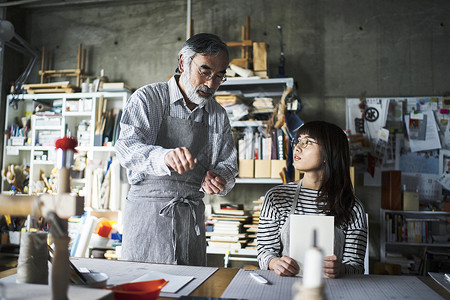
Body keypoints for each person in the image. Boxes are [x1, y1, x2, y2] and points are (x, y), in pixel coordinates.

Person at [115, 33, 238, 266]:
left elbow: (229, 166)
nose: (211, 84)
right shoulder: (148, 98)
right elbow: (126, 148)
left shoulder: (218, 115)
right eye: (205, 72)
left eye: (220, 76)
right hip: (148, 217)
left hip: (190, 220)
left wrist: (220, 178)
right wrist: (164, 156)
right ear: (183, 62)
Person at [257, 120, 367, 277]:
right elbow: (264, 253)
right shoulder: (276, 198)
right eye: (298, 141)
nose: (297, 147)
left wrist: (341, 269)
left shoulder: (352, 207)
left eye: (307, 142)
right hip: (284, 288)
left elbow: (356, 266)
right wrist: (275, 263)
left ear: (328, 153)